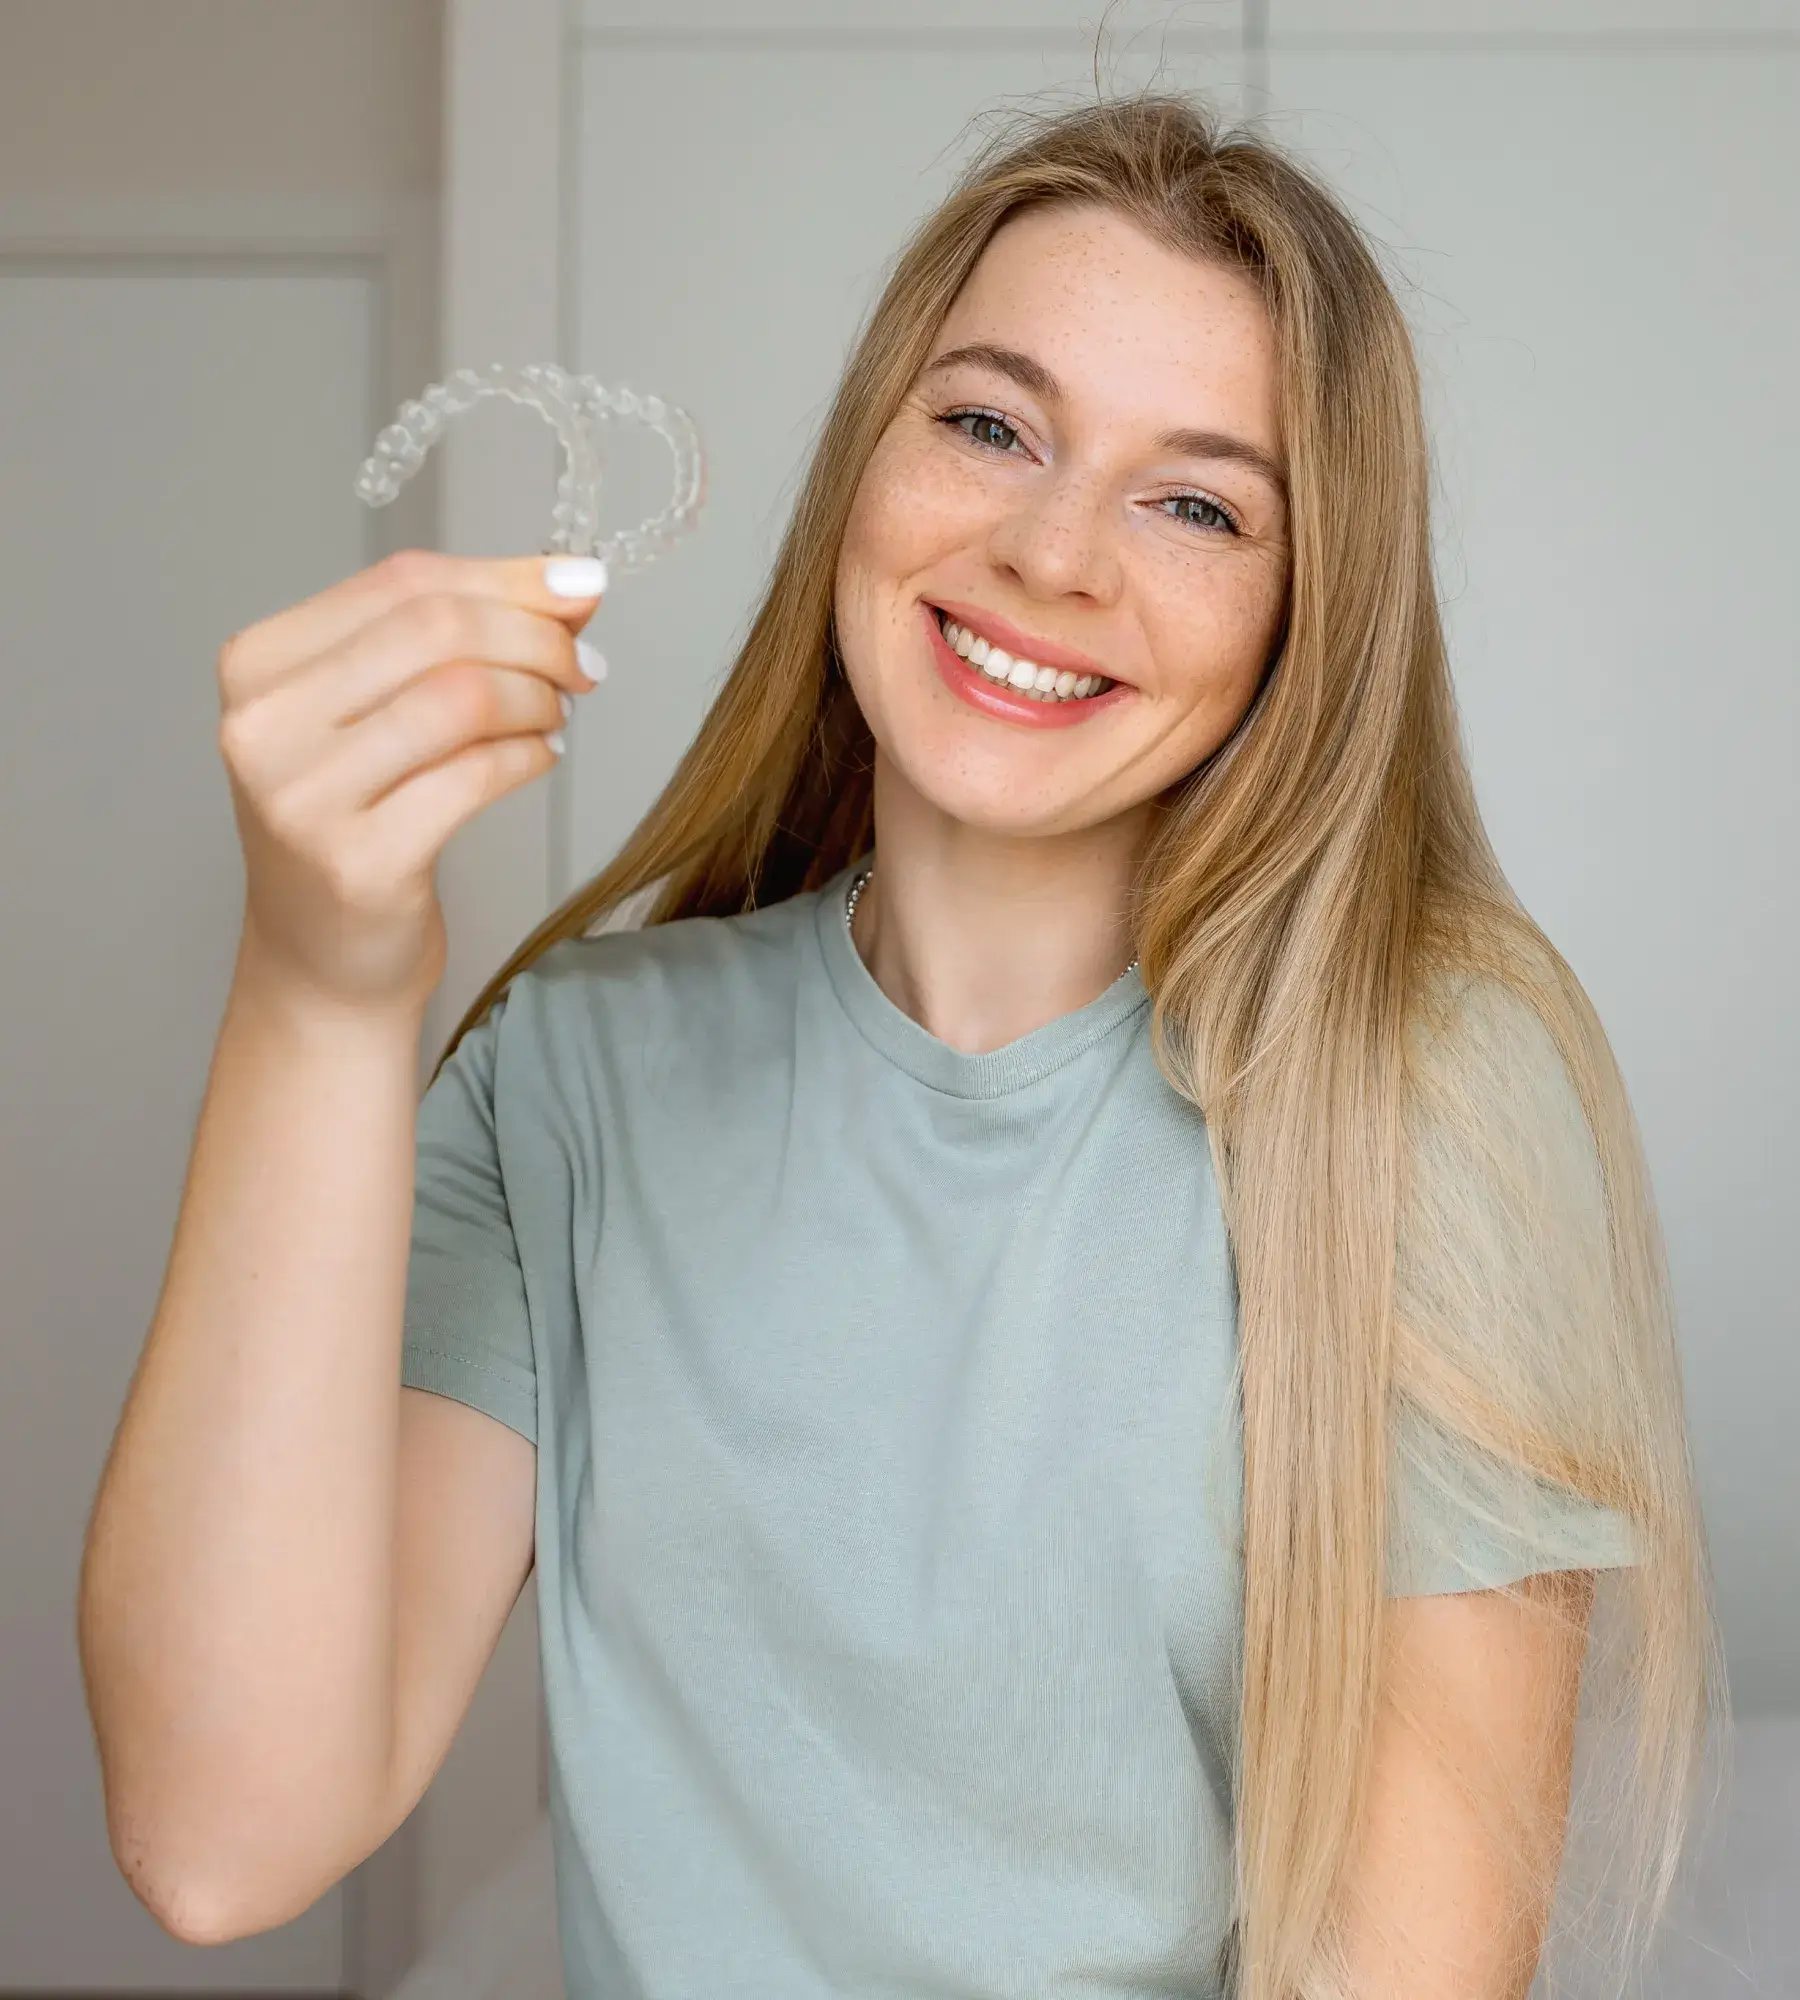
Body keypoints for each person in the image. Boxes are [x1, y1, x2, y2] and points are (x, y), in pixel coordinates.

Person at [79, 92, 1721, 2000]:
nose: (1051, 551)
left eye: (1195, 502)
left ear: (1305, 619)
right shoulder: (571, 1078)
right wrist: (316, 987)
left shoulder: (1431, 1090)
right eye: (987, 423)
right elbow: (216, 1836)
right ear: (864, 467)